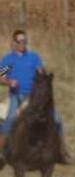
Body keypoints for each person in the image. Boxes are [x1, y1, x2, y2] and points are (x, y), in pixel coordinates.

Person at [0, 30, 63, 163]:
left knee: (57, 119)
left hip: (34, 97)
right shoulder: (8, 60)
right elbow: (1, 76)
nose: (23, 44)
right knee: (9, 122)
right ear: (13, 43)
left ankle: (58, 151)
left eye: (25, 41)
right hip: (16, 96)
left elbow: (40, 71)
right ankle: (2, 153)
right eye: (20, 41)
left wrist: (42, 78)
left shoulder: (33, 57)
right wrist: (9, 82)